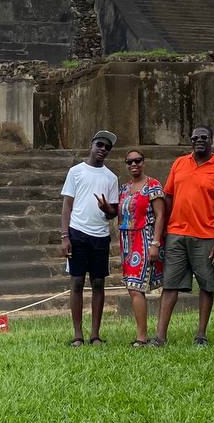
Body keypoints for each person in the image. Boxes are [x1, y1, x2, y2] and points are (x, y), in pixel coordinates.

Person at [151, 125, 214, 347]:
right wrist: (165, 229)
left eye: (204, 137)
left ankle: (201, 334)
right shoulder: (179, 163)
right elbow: (168, 196)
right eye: (195, 137)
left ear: (211, 140)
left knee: (206, 285)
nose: (199, 141)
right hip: (177, 234)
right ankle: (160, 336)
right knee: (170, 285)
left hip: (206, 236)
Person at [60, 129, 120, 346]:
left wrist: (106, 209)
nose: (103, 150)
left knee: (98, 283)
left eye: (107, 147)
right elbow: (67, 206)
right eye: (100, 145)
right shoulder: (76, 172)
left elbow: (113, 212)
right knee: (76, 282)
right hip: (77, 233)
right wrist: (65, 235)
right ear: (91, 145)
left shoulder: (111, 177)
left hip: (100, 236)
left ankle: (95, 334)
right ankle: (78, 335)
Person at [117, 149, 166, 347]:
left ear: (144, 162)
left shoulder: (152, 185)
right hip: (126, 239)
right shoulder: (124, 188)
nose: (133, 164)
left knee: (137, 287)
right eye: (129, 162)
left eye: (137, 160)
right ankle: (142, 334)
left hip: (144, 238)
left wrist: (155, 242)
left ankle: (141, 337)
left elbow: (161, 215)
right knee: (132, 287)